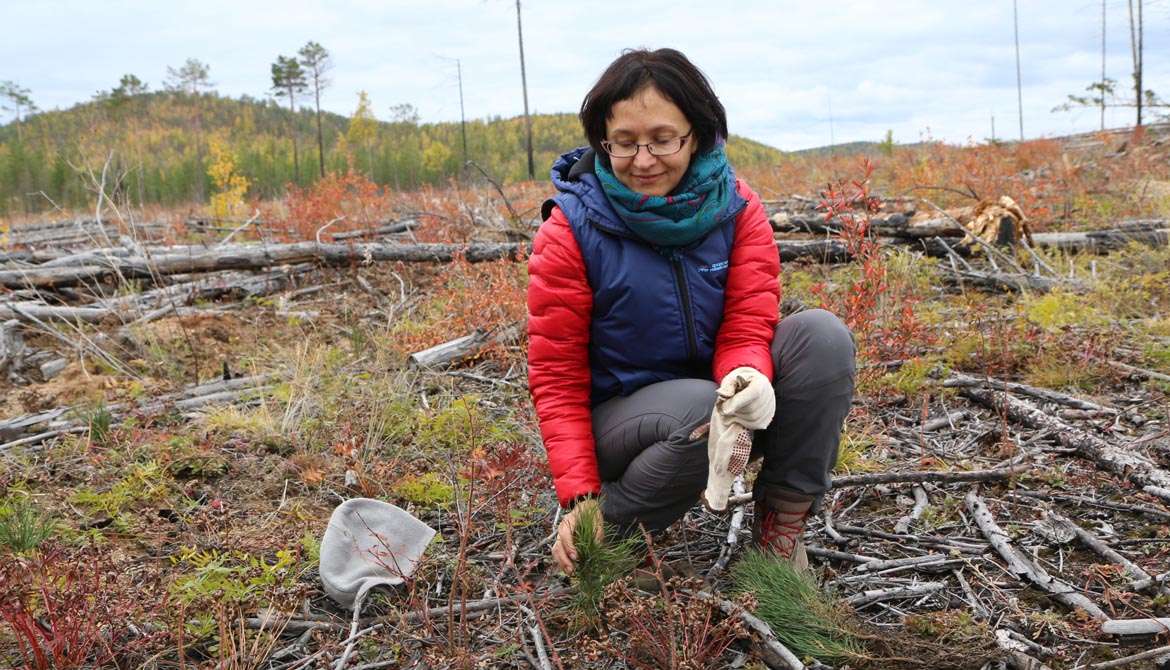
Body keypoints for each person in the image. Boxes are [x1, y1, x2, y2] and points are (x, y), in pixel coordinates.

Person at [527, 48, 856, 576]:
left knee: (821, 337)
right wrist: (580, 494)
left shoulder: (737, 208)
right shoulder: (570, 230)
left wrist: (747, 378)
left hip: (710, 395)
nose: (643, 160)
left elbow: (748, 322)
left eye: (662, 139)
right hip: (620, 419)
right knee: (701, 407)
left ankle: (779, 533)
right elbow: (557, 377)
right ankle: (604, 534)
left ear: (698, 133)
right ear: (601, 140)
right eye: (624, 143)